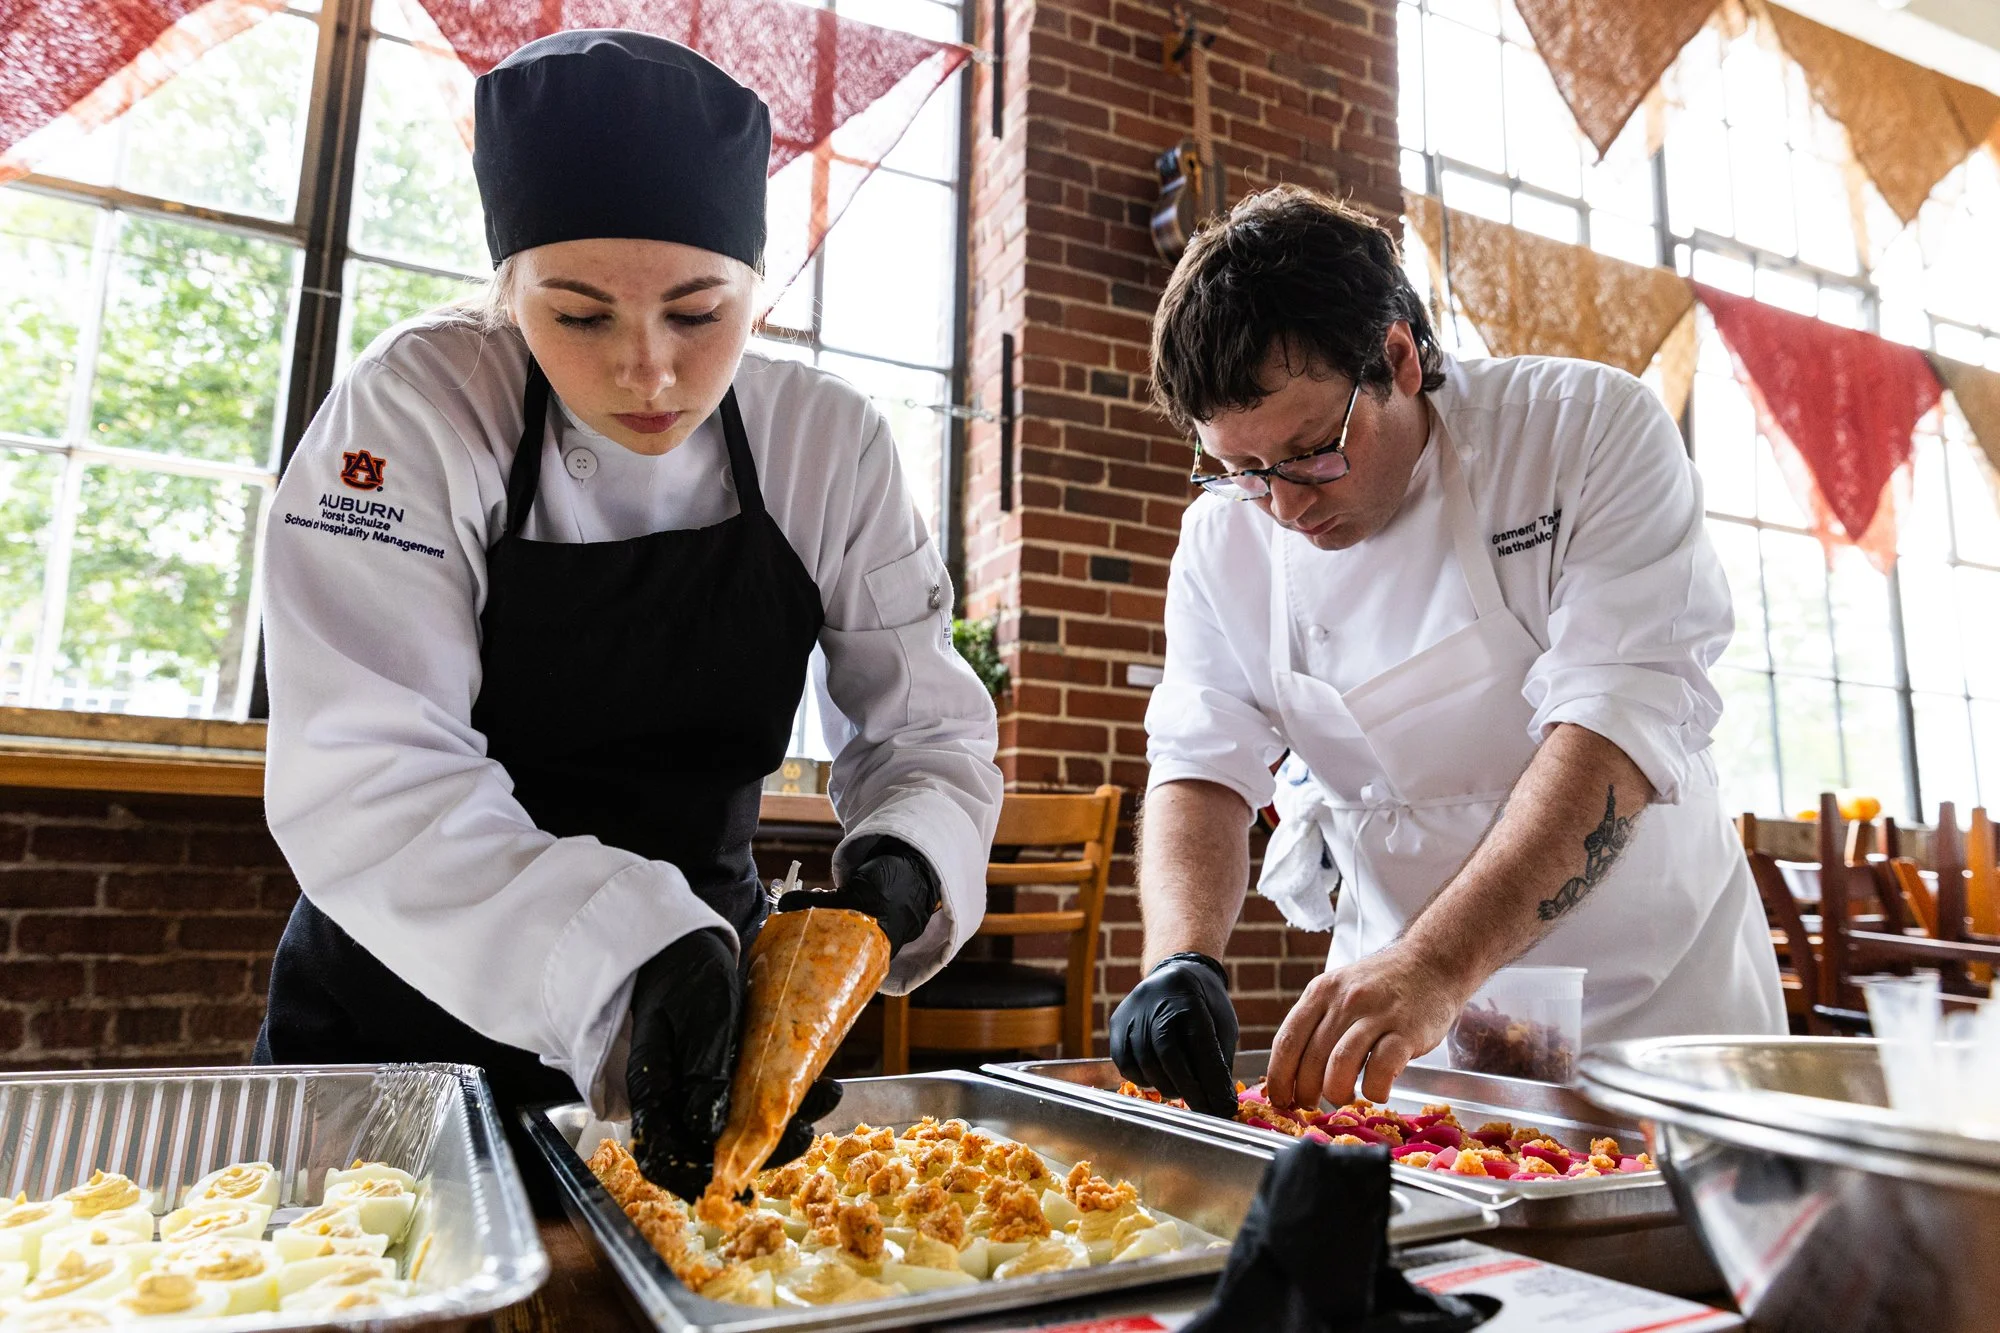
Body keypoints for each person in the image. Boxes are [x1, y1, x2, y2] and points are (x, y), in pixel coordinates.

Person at [255, 30, 1002, 1197]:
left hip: (703, 1027)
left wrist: (900, 867)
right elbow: (368, 770)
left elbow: (924, 731)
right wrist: (625, 952)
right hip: (401, 1006)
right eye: (580, 316)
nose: (647, 374)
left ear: (758, 290)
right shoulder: (414, 409)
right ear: (510, 292)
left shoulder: (826, 442)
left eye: (698, 315)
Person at [1110, 186, 1783, 1117]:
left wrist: (1434, 964)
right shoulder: (1223, 544)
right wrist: (1179, 957)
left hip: (1655, 1014)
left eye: (1310, 452)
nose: (1286, 508)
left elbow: (1612, 728)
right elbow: (1199, 763)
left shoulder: (1582, 431)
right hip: (1396, 1030)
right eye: (1240, 471)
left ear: (1398, 358)